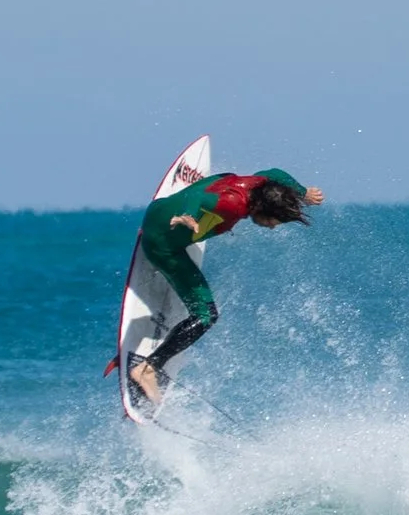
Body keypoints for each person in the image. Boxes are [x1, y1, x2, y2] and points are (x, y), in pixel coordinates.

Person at [128, 167, 324, 405]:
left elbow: (275, 172)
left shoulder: (258, 184)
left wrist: (303, 193)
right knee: (206, 316)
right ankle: (148, 368)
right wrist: (188, 215)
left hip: (157, 210)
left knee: (225, 182)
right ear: (264, 209)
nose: (273, 226)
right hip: (162, 245)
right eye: (275, 220)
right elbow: (197, 198)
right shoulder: (232, 203)